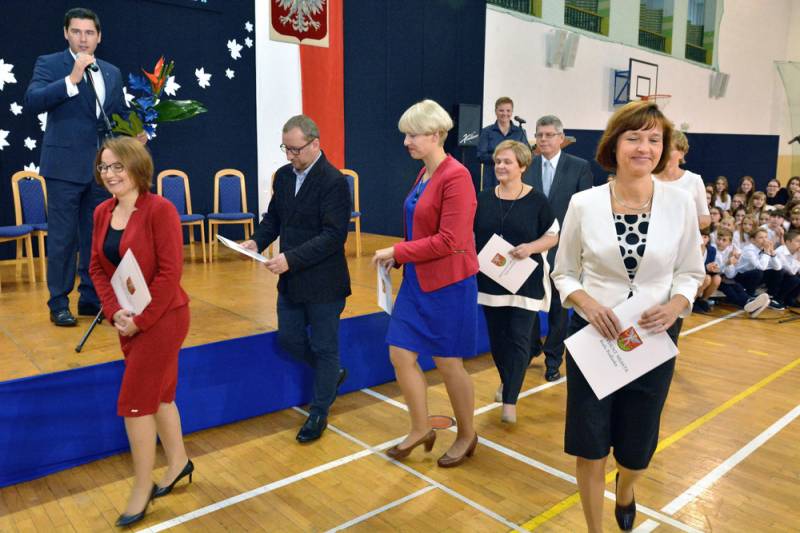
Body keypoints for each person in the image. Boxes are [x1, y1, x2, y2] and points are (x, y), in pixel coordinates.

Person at [551, 100, 705, 533]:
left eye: (654, 139)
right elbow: (563, 272)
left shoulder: (680, 203)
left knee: (636, 450)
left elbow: (691, 272)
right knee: (590, 446)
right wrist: (587, 303)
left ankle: (627, 486)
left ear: (665, 148)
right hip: (593, 338)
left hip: (653, 339)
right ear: (614, 146)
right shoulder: (584, 203)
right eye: (634, 137)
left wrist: (676, 305)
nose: (644, 147)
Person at [88, 137, 192, 527]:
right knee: (160, 396)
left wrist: (141, 321)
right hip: (127, 320)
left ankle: (142, 486)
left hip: (163, 320)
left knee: (135, 403)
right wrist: (114, 311)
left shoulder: (160, 209)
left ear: (137, 168)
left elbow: (170, 273)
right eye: (104, 167)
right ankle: (178, 462)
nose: (110, 174)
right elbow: (97, 267)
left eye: (118, 166)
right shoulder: (102, 212)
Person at [372, 99, 479, 467]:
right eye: (406, 135)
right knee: (400, 354)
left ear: (435, 135)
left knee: (448, 363)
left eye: (413, 135)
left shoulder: (457, 176)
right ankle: (421, 428)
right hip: (418, 281)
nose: (406, 142)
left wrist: (398, 251)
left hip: (449, 284)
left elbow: (450, 240)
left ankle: (467, 434)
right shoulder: (425, 173)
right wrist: (402, 257)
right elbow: (420, 227)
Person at [241, 115, 351, 443]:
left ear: (315, 144)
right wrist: (256, 241)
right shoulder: (285, 177)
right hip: (291, 280)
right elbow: (273, 218)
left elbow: (333, 236)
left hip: (324, 282)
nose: (290, 156)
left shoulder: (333, 181)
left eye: (295, 150)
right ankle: (331, 375)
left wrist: (290, 258)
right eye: (285, 149)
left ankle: (319, 411)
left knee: (325, 346)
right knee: (288, 339)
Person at [24, 7, 132, 327]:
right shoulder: (50, 64)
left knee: (95, 237)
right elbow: (33, 101)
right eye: (76, 32)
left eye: (89, 33)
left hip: (102, 171)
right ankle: (58, 302)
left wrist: (137, 131)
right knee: (62, 239)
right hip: (63, 168)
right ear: (66, 34)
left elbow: (118, 116)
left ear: (99, 37)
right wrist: (71, 79)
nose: (83, 39)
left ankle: (91, 297)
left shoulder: (111, 72)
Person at [474, 140, 558, 423]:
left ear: (522, 166)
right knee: (498, 340)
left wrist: (531, 248)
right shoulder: (483, 199)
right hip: (490, 281)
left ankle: (510, 400)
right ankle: (506, 379)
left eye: (507, 162)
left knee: (520, 339)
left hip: (525, 281)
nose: (500, 166)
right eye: (498, 161)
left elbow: (553, 235)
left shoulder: (538, 201)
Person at [523, 115, 593, 382]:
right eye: (539, 135)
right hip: (532, 248)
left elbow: (586, 209)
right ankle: (532, 347)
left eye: (549, 135)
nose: (543, 140)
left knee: (558, 310)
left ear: (561, 138)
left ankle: (553, 359)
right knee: (529, 304)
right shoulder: (527, 165)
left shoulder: (579, 167)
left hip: (565, 249)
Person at [655, 130, 711, 229]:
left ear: (681, 154)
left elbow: (705, 219)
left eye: (669, 149)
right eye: (662, 148)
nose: (664, 153)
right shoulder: (647, 178)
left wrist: (679, 227)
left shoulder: (694, 180)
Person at [715, 228, 770, 317]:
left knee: (738, 288)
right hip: (717, 279)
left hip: (728, 278)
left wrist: (730, 264)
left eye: (724, 240)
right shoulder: (713, 250)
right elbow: (714, 270)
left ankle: (750, 303)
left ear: (729, 243)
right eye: (719, 239)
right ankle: (750, 305)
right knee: (730, 290)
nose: (720, 242)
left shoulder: (730, 252)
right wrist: (727, 263)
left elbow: (731, 275)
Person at [477, 97, 530, 191]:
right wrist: (502, 159)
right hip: (492, 179)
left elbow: (525, 155)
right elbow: (480, 156)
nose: (505, 113)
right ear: (495, 111)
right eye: (501, 110)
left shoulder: (520, 132)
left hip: (513, 179)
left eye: (508, 111)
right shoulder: (487, 132)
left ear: (512, 112)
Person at [695, 227, 721, 312]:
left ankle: (703, 300)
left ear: (709, 239)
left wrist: (714, 268)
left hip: (704, 274)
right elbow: (691, 267)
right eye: (700, 236)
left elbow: (710, 267)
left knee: (717, 278)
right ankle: (691, 301)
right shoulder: (691, 249)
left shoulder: (711, 250)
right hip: (692, 274)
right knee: (707, 278)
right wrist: (706, 267)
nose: (702, 239)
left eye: (705, 237)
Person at [775, 229, 800, 307]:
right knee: (794, 279)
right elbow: (791, 271)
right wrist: (798, 259)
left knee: (795, 278)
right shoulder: (780, 251)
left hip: (786, 276)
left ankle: (790, 298)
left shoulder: (796, 252)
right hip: (773, 278)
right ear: (788, 242)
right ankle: (778, 299)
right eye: (798, 241)